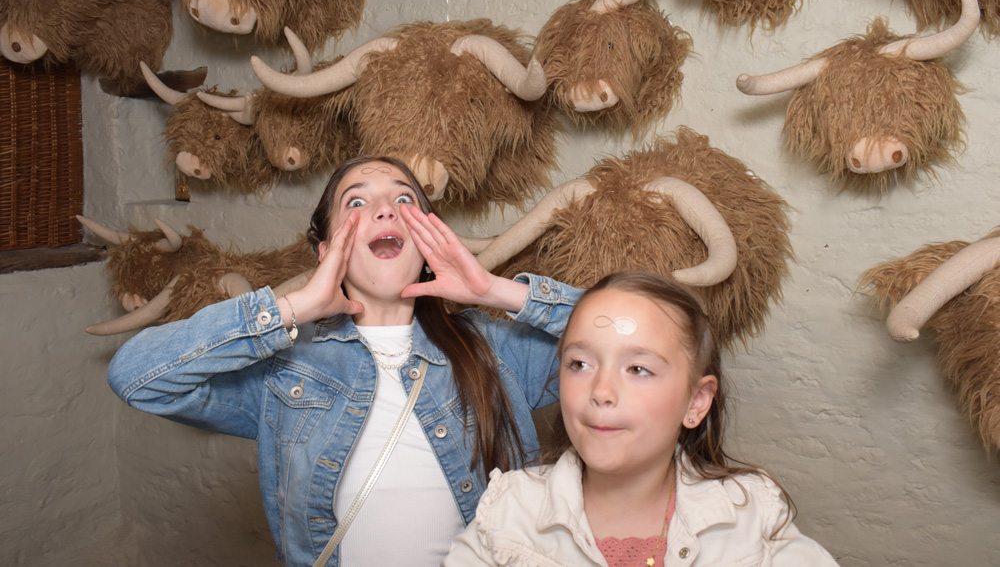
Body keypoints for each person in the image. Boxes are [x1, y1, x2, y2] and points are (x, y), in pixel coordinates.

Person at [106, 156, 582, 567]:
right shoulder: (286, 373)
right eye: (357, 202)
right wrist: (290, 307)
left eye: (405, 201)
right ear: (326, 250)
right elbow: (136, 376)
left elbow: (641, 337)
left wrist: (497, 291)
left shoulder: (496, 349)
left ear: (431, 240)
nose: (383, 209)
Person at [443, 271, 840, 566]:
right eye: (579, 364)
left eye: (638, 369)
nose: (601, 391)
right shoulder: (509, 511)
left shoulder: (752, 513)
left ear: (696, 402)